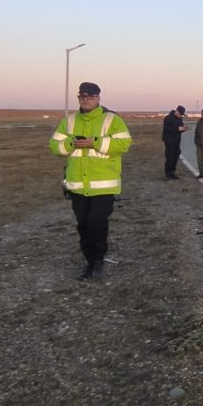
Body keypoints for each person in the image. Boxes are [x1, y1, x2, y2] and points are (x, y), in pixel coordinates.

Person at [49, 82, 132, 280]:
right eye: (82, 96)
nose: (85, 99)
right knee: (83, 226)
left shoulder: (112, 119)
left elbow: (124, 144)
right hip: (78, 185)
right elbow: (54, 146)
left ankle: (98, 260)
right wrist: (71, 143)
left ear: (98, 98)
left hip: (104, 186)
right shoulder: (69, 121)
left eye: (90, 96)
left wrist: (94, 142)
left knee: (96, 224)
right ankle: (90, 262)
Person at [162, 105, 187, 179]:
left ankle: (173, 173)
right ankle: (168, 174)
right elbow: (166, 129)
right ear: (177, 111)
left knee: (175, 157)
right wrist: (177, 129)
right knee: (170, 157)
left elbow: (180, 128)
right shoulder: (168, 118)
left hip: (177, 141)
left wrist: (183, 129)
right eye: (180, 114)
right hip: (169, 141)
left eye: (181, 115)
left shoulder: (180, 119)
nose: (180, 116)